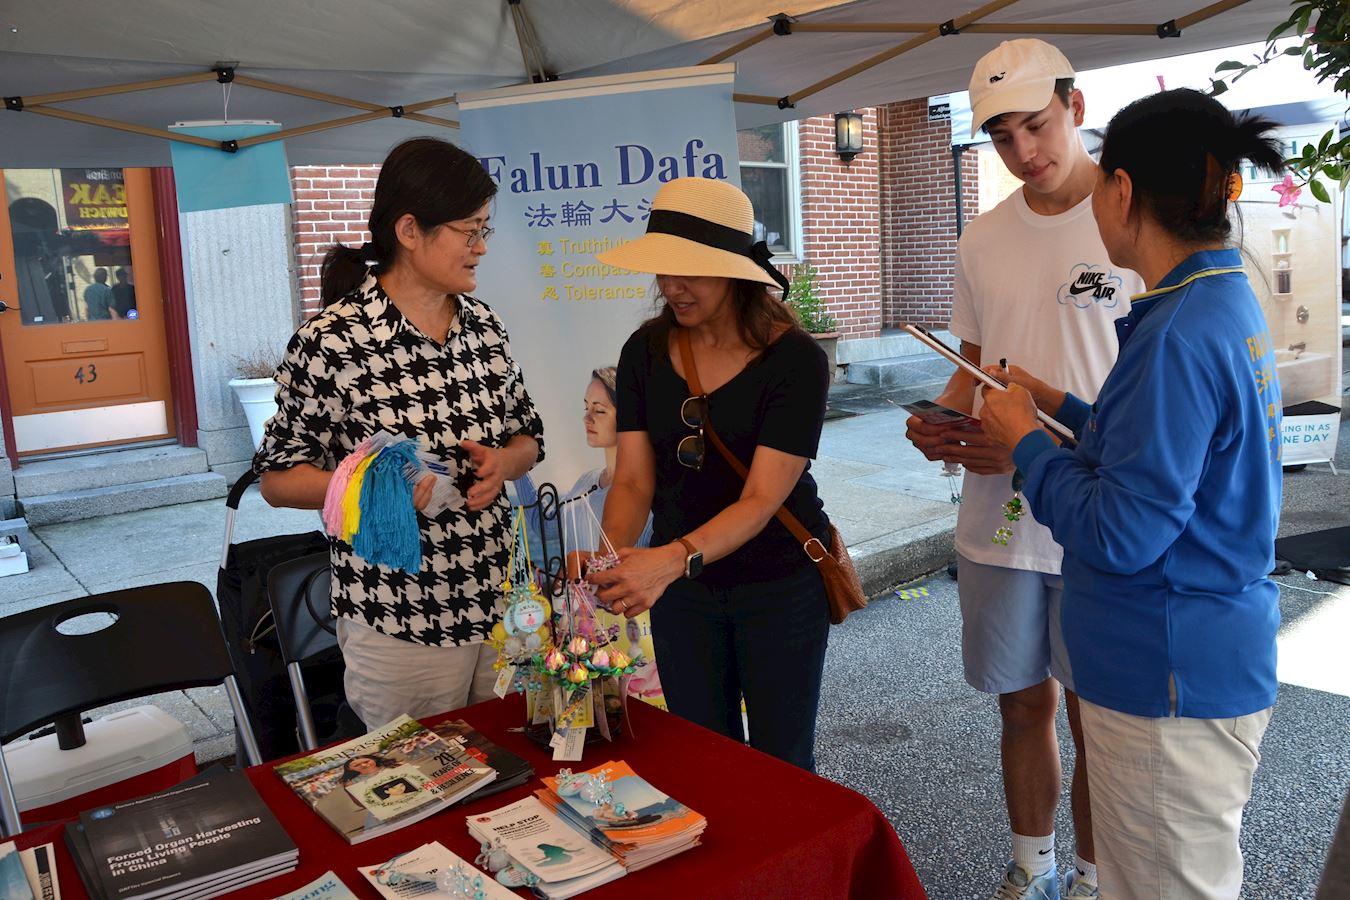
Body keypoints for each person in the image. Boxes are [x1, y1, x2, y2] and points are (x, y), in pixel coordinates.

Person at [980, 88, 1285, 900]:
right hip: (1195, 659)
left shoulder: (1177, 331)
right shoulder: (1216, 297)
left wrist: (1026, 443)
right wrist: (1059, 404)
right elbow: (1164, 456)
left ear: (1121, 190)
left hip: (1165, 672)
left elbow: (1121, 531)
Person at [903, 39, 1144, 899]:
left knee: (1097, 716)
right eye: (1002, 136)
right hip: (997, 511)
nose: (1023, 151)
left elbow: (1156, 381)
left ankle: (1093, 877)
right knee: (1019, 701)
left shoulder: (1133, 219)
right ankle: (1031, 867)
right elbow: (972, 365)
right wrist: (939, 421)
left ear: (1076, 108)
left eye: (1036, 126)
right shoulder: (983, 236)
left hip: (1097, 507)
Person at [255, 137, 544, 730]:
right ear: (409, 230)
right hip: (399, 614)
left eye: (485, 229)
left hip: (502, 602)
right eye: (469, 231)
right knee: (422, 776)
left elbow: (528, 437)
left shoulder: (485, 327)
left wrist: (504, 463)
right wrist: (371, 484)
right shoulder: (332, 341)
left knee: (518, 758)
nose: (482, 247)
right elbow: (278, 480)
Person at [587, 176, 832, 771]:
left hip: (778, 584)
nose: (671, 286)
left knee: (781, 765)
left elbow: (760, 499)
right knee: (703, 757)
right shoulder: (644, 351)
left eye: (690, 270)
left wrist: (668, 560)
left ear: (735, 271)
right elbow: (633, 481)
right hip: (685, 594)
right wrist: (610, 561)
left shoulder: (795, 360)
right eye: (663, 269)